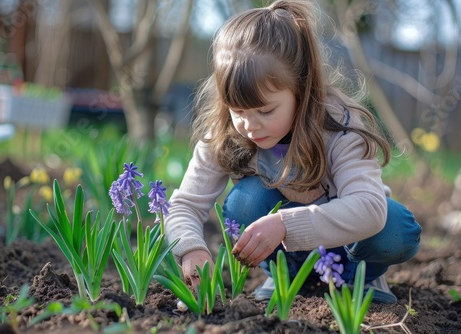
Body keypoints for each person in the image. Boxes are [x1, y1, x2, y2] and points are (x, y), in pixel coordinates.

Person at [164, 0, 421, 305]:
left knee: (395, 229)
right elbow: (183, 206)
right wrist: (192, 248)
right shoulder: (225, 133)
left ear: (302, 89)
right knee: (245, 202)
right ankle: (285, 279)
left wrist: (285, 224)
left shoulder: (339, 126)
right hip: (285, 252)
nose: (249, 124)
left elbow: (368, 208)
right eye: (237, 109)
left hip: (348, 247)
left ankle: (360, 278)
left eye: (265, 110)